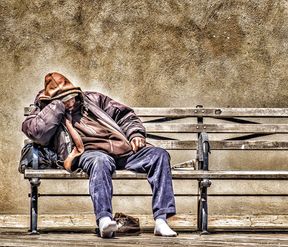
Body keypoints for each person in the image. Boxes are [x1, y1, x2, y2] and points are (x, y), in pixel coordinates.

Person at [22, 72, 177, 238]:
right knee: (100, 161)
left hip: (123, 150)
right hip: (89, 153)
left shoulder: (93, 99)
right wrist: (56, 106)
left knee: (159, 155)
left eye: (73, 95)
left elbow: (124, 115)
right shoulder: (45, 110)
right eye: (66, 98)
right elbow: (37, 132)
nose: (72, 101)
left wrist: (136, 134)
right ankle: (104, 219)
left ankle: (161, 221)